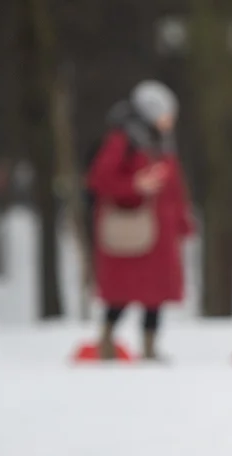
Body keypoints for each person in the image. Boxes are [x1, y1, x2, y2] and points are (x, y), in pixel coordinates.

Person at [87, 80, 193, 361]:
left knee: (155, 293)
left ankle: (149, 346)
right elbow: (100, 179)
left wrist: (183, 221)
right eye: (166, 113)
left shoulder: (163, 143)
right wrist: (135, 184)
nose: (170, 119)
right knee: (122, 291)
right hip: (131, 230)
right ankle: (107, 339)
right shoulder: (123, 141)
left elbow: (174, 187)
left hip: (160, 233)